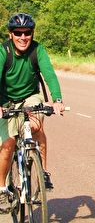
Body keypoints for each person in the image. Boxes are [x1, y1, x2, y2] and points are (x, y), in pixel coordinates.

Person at [0, 13, 65, 213]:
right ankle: (2, 188)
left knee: (36, 125)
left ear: (32, 33)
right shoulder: (4, 51)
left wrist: (57, 100)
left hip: (30, 96)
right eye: (18, 33)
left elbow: (49, 74)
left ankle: (43, 172)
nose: (23, 37)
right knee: (9, 143)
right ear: (11, 35)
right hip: (5, 101)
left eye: (27, 33)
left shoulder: (38, 49)